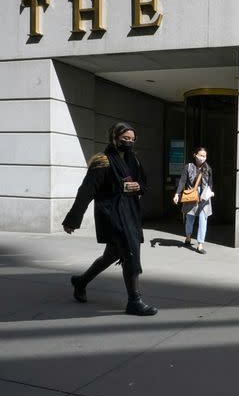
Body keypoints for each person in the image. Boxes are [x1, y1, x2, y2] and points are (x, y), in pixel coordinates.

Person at [62, 122, 158, 316]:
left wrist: (136, 187)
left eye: (132, 139)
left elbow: (143, 183)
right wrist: (73, 219)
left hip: (130, 212)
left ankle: (81, 281)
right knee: (130, 252)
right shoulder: (102, 161)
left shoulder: (134, 160)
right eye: (125, 139)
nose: (129, 142)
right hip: (112, 215)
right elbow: (86, 191)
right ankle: (134, 300)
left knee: (112, 255)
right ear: (114, 138)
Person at [173, 147, 213, 254]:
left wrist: (210, 192)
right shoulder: (188, 167)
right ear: (195, 155)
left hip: (204, 196)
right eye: (200, 155)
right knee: (190, 218)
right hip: (191, 194)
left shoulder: (207, 168)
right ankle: (188, 236)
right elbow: (182, 181)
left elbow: (210, 183)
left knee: (203, 219)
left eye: (204, 156)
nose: (202, 158)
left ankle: (200, 244)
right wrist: (177, 194)